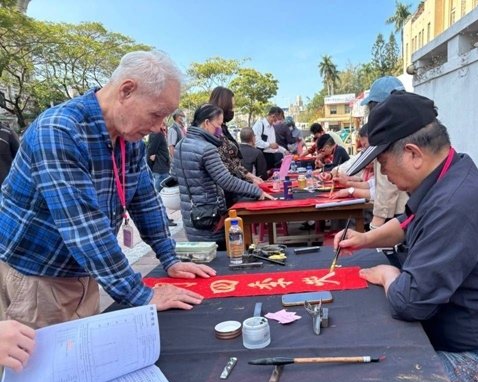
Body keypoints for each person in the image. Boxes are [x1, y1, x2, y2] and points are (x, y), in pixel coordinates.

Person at [334, 91, 478, 382]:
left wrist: (389, 274)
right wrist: (364, 239)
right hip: (472, 337)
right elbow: (408, 221)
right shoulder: (449, 174)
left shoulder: (455, 202)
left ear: (413, 153)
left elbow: (409, 302)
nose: (383, 174)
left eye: (383, 164)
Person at [0, 50, 216, 330]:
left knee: (84, 360)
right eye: (156, 114)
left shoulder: (129, 139)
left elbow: (145, 200)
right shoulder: (60, 130)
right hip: (36, 276)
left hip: (83, 272)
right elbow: (84, 228)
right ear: (126, 90)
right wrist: (141, 294)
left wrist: (169, 257)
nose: (157, 127)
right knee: (47, 368)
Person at [174, 104, 273, 248]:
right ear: (207, 123)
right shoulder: (206, 148)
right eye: (218, 125)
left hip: (191, 216)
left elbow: (175, 175)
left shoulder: (180, 145)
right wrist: (257, 191)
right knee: (221, 258)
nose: (220, 130)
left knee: (205, 258)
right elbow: (226, 180)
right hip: (210, 217)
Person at [359, 76, 409, 231]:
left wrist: (375, 226)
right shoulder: (412, 125)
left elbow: (387, 186)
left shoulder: (387, 133)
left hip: (399, 213)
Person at [208, 86, 263, 205]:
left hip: (231, 186)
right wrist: (250, 186)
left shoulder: (223, 128)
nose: (233, 110)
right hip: (223, 192)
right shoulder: (214, 131)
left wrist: (250, 177)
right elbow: (226, 164)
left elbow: (232, 161)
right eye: (231, 106)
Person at [147, 120, 177, 227]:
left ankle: (164, 218)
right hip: (160, 169)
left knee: (158, 196)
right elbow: (151, 152)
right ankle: (161, 219)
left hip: (161, 168)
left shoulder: (159, 134)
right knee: (157, 196)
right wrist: (152, 165)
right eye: (162, 123)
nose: (164, 125)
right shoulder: (157, 135)